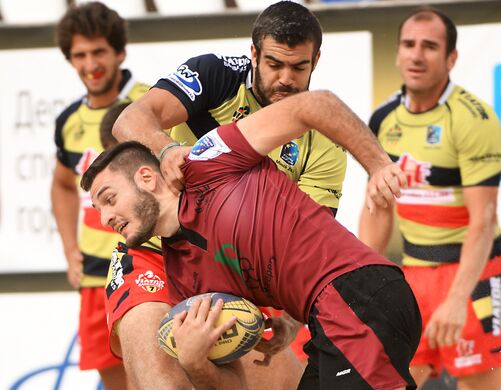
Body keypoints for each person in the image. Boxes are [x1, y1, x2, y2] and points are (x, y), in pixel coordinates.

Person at [82, 90, 421, 390]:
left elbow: (316, 104)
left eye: (109, 198)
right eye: (97, 209)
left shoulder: (208, 159)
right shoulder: (183, 278)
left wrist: (378, 165)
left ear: (146, 177)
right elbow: (233, 386)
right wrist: (195, 363)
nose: (105, 218)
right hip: (328, 317)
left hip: (359, 296)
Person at [109, 0, 345, 365]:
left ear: (316, 61)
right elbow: (130, 120)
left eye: (298, 67)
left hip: (237, 278)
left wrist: (290, 318)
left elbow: (311, 243)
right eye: (273, 64)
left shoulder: (326, 141)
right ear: (253, 54)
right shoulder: (217, 75)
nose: (285, 78)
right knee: (163, 376)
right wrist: (168, 148)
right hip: (158, 253)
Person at [358, 7, 501, 390]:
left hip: (477, 277)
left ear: (451, 58)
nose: (416, 55)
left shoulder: (472, 118)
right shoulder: (382, 120)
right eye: (409, 45)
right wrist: (361, 283)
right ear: (397, 53)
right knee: (389, 383)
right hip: (413, 277)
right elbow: (378, 207)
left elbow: (483, 219)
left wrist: (455, 299)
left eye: (429, 46)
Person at [99, 103, 305, 389]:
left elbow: (300, 249)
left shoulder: (310, 152)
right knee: (162, 381)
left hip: (216, 252)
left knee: (286, 381)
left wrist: (293, 321)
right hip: (149, 257)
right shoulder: (188, 94)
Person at [50, 2, 150, 388]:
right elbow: (61, 184)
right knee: (116, 382)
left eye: (98, 52)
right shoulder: (69, 121)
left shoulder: (151, 101)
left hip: (148, 261)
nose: (90, 63)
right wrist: (69, 249)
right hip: (96, 273)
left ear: (119, 52)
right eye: (80, 55)